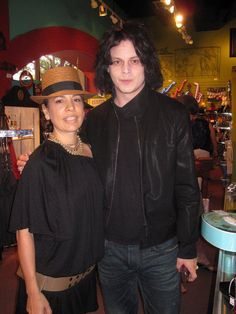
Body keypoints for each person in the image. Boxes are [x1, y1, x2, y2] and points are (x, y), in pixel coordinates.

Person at [17, 22, 200, 314]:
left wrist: (188, 248)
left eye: (134, 61)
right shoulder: (94, 120)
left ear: (147, 65)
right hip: (108, 251)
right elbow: (70, 153)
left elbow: (188, 188)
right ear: (107, 67)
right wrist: (34, 162)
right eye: (117, 61)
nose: (125, 70)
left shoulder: (173, 116)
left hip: (161, 249)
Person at [10, 66, 104, 314]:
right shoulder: (40, 164)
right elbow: (24, 231)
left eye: (76, 100)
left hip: (84, 279)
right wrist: (32, 290)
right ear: (46, 111)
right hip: (51, 289)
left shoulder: (91, 153)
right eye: (59, 101)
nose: (71, 108)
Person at [177, 94, 218, 159]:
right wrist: (215, 151)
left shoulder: (180, 124)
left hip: (189, 157)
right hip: (204, 155)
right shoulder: (206, 123)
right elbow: (213, 139)